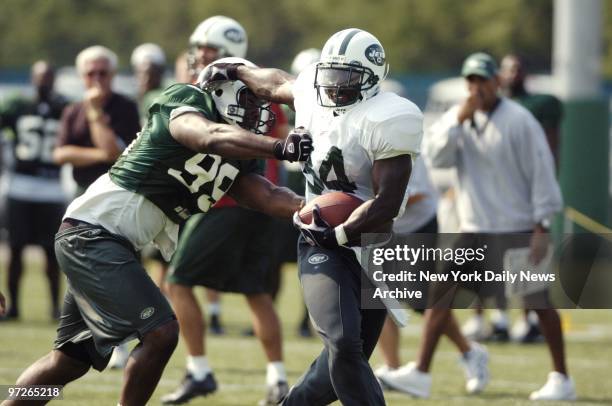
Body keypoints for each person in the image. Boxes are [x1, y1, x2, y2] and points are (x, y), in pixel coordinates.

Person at [0, 57, 311, 406]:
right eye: (252, 100)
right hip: (92, 233)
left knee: (69, 361)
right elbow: (207, 136)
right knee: (161, 332)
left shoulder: (239, 148)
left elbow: (267, 195)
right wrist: (277, 147)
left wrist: (314, 210)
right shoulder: (188, 100)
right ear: (223, 91)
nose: (259, 111)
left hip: (108, 241)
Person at [202, 27, 423, 405]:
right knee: (341, 343)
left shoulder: (389, 117)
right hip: (318, 238)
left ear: (373, 80)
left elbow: (387, 202)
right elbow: (274, 83)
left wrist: (338, 233)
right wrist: (236, 70)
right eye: (331, 74)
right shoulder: (311, 94)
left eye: (347, 78)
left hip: (370, 241)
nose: (335, 86)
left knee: (338, 365)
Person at [414, 52, 574, 401]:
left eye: (482, 80)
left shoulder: (519, 120)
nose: (476, 88)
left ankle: (561, 377)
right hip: (473, 225)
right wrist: (458, 118)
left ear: (495, 82)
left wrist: (542, 226)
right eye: (470, 81)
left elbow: (542, 172)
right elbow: (435, 156)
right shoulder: (460, 119)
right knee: (440, 293)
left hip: (514, 226)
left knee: (537, 302)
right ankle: (421, 372)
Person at [161, 16, 291, 406]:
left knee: (178, 282)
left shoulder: (210, 90)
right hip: (262, 201)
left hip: (224, 199)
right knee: (256, 291)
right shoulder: (262, 85)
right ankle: (278, 379)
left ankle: (199, 370)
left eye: (210, 50)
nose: (202, 55)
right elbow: (283, 134)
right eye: (200, 48)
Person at [463, 53, 565, 344]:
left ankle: (530, 326)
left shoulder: (527, 113)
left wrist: (541, 220)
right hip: (485, 207)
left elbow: (545, 159)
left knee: (532, 287)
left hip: (519, 205)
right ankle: (493, 319)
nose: (513, 74)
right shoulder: (474, 112)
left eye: (518, 69)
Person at [0, 60, 68, 321]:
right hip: (19, 185)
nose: (44, 82)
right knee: (15, 250)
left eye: (48, 77)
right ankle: (13, 306)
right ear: (32, 79)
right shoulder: (17, 105)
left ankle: (54, 307)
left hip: (51, 188)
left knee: (52, 252)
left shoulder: (64, 107)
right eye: (40, 77)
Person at [53, 45, 140, 197]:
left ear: (112, 75)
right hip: (82, 190)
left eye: (103, 73)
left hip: (116, 191)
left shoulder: (126, 107)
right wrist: (102, 155)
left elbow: (113, 150)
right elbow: (61, 154)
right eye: (90, 73)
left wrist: (94, 111)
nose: (97, 79)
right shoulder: (73, 110)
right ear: (82, 76)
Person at [130, 43, 167, 122]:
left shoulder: (166, 100)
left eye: (152, 74)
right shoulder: (128, 104)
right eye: (141, 73)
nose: (146, 79)